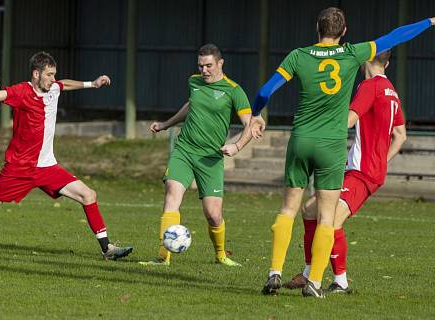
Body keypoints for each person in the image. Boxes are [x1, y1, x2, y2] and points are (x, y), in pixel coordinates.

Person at [250, 7, 434, 297]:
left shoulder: (298, 55)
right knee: (325, 216)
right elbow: (394, 37)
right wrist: (430, 21)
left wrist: (256, 115)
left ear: (316, 28)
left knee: (289, 209)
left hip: (301, 139)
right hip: (332, 145)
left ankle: (274, 272)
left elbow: (264, 91)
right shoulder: (352, 53)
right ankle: (315, 283)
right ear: (344, 31)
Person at [0, 51, 132, 261]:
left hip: (48, 168)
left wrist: (92, 84)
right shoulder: (22, 91)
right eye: (49, 75)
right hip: (20, 168)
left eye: (53, 74)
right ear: (36, 74)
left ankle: (107, 249)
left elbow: (64, 84)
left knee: (88, 195)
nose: (52, 79)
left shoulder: (53, 88)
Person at [284, 50, 406, 293]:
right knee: (310, 210)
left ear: (365, 59)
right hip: (364, 169)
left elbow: (347, 121)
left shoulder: (369, 86)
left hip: (362, 171)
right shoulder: (391, 90)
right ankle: (309, 271)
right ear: (388, 63)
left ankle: (340, 281)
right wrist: (381, 161)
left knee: (332, 220)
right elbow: (401, 135)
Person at [140, 43, 252, 267]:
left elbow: (250, 124)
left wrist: (237, 146)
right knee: (172, 193)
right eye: (201, 66)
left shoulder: (234, 90)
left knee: (213, 214)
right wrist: (165, 124)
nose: (204, 71)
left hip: (210, 158)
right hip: (184, 150)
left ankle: (221, 255)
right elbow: (190, 106)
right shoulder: (194, 82)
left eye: (209, 66)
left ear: (220, 63)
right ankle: (163, 257)